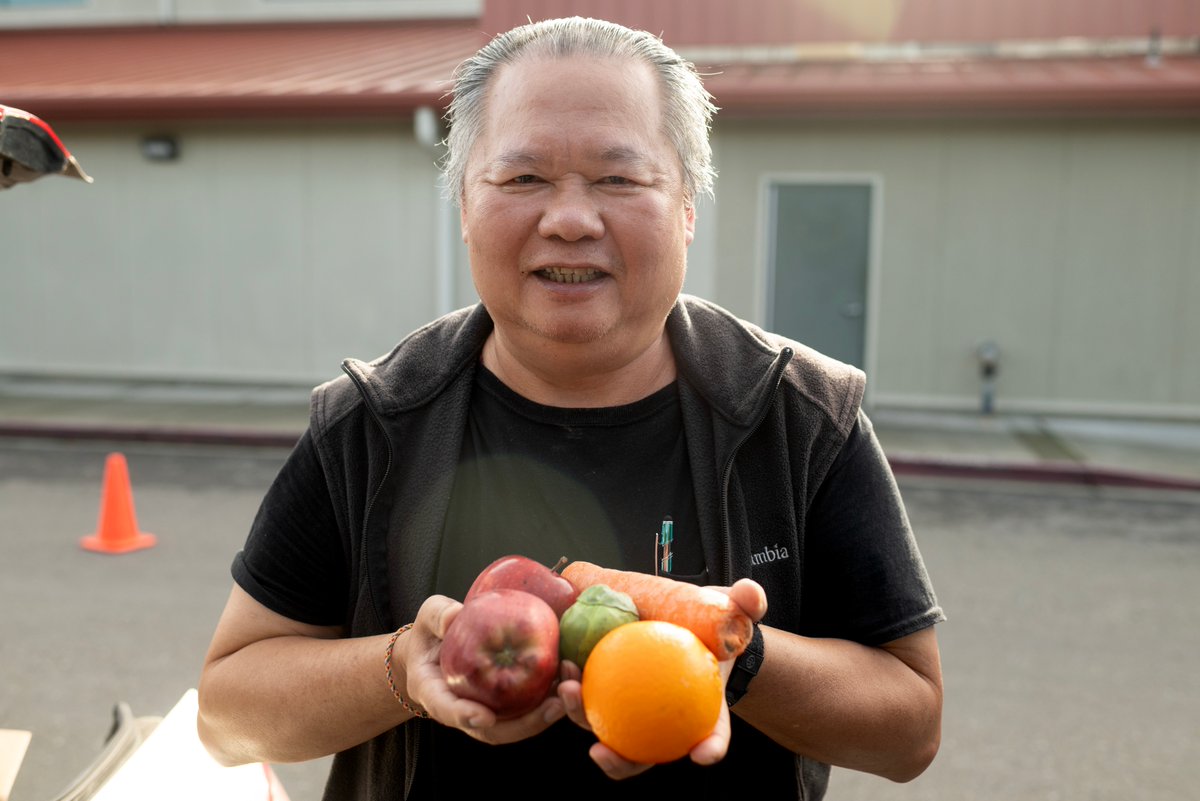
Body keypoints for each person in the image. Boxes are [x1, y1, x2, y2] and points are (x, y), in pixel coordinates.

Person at [197, 16, 944, 800]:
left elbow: (910, 727)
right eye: (522, 179)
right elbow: (226, 716)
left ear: (687, 206)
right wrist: (400, 670)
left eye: (619, 179)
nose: (570, 219)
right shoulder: (370, 422)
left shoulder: (799, 417)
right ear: (463, 206)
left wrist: (740, 655)